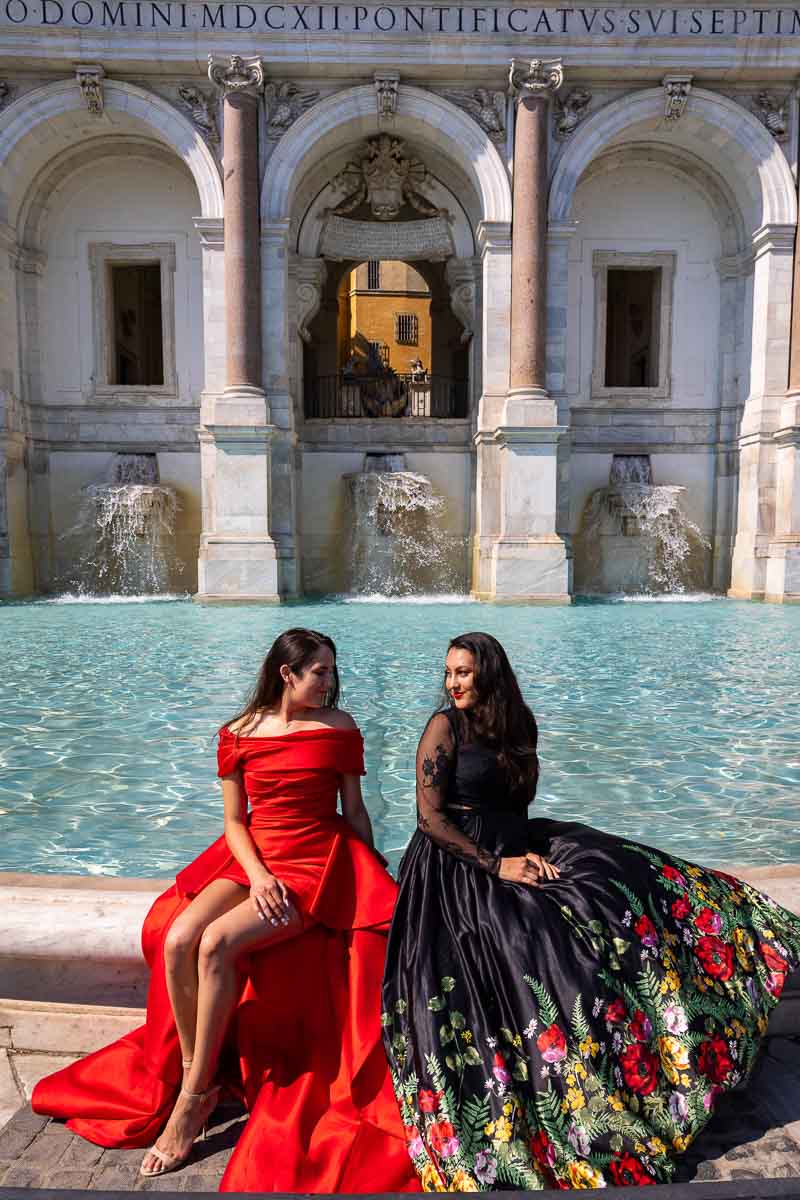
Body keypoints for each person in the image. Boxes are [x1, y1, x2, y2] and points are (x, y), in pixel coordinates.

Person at [382, 631, 800, 1191]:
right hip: (457, 864)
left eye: (464, 673)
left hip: (515, 843)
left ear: (490, 674)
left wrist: (524, 852)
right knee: (523, 938)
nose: (454, 683)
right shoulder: (444, 727)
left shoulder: (519, 725)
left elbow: (517, 806)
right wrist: (498, 866)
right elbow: (430, 819)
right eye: (450, 673)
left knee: (622, 879)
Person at [33, 628, 420, 1194]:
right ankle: (202, 1074)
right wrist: (259, 875)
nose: (329, 682)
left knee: (217, 943)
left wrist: (373, 879)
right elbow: (236, 824)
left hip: (315, 864)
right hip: (254, 858)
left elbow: (354, 812)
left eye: (332, 671)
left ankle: (190, 1104)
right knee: (179, 937)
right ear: (286, 673)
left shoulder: (339, 729)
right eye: (319, 672)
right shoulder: (237, 733)